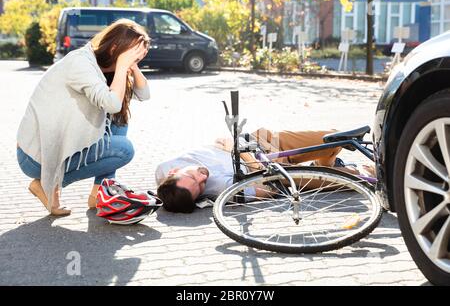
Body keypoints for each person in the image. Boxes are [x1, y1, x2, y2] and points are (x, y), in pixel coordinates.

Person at [16, 19, 151, 216]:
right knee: (123, 149)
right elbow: (112, 103)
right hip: (36, 156)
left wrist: (132, 65)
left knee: (119, 120)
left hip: (58, 148)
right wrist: (123, 65)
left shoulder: (108, 68)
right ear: (114, 48)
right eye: (133, 53)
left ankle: (98, 193)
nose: (135, 59)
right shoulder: (80, 63)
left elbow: (144, 94)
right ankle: (47, 186)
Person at [156, 128, 375, 213]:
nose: (202, 177)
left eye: (193, 175)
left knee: (334, 138)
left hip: (263, 142)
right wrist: (240, 153)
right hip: (277, 172)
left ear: (174, 171)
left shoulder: (163, 170)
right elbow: (269, 189)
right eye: (200, 186)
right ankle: (345, 170)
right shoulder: (221, 189)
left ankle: (326, 165)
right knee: (353, 181)